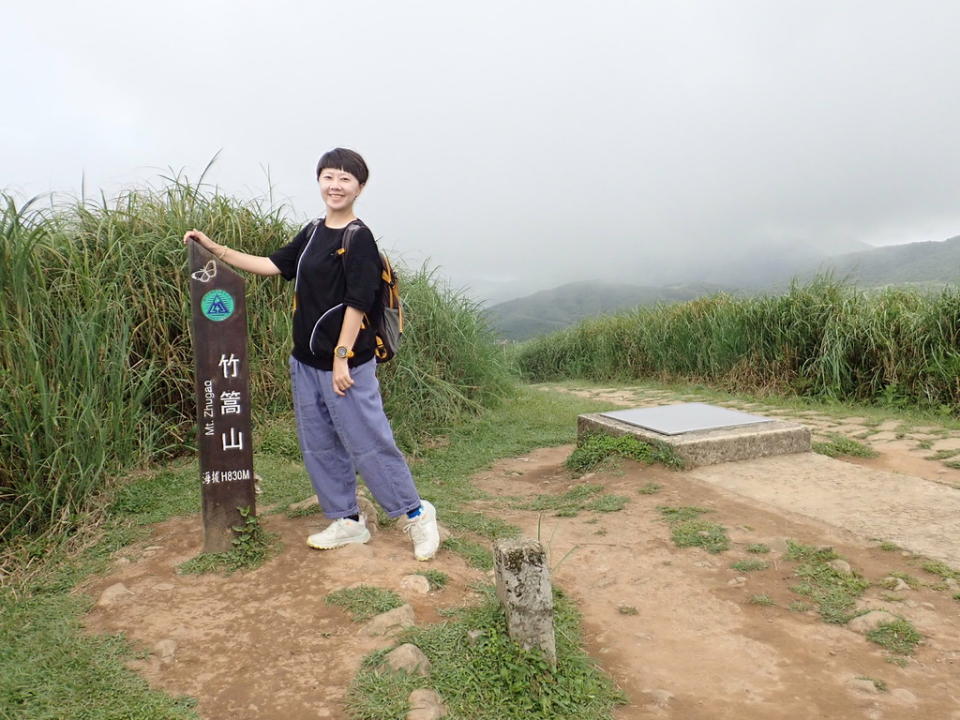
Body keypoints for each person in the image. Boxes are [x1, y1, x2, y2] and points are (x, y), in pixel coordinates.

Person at [182, 148, 440, 561]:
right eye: (329, 177)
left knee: (368, 441)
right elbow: (271, 264)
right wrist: (216, 248)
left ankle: (415, 513)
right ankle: (348, 520)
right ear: (319, 181)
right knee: (319, 443)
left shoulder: (359, 238)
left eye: (345, 179)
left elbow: (358, 302)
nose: (335, 186)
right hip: (305, 361)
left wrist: (341, 357)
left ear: (360, 187)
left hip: (347, 364)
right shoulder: (313, 230)